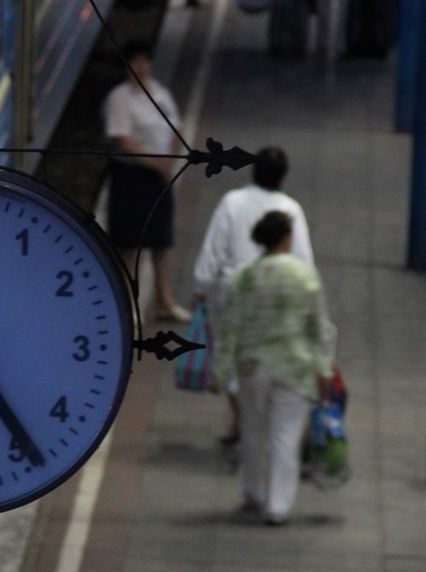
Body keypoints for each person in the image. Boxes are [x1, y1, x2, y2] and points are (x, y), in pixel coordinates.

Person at [214, 211, 333, 525]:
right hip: (295, 367)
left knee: (253, 430)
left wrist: (221, 369)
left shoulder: (244, 277)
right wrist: (324, 368)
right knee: (285, 437)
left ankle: (253, 492)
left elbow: (228, 327)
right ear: (287, 238)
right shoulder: (304, 276)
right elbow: (318, 327)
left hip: (252, 366)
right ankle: (278, 506)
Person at [192, 147, 314, 447]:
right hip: (275, 295)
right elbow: (304, 260)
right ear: (284, 175)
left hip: (233, 292)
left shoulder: (231, 202)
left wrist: (201, 286)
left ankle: (243, 419)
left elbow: (214, 249)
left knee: (235, 358)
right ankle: (260, 422)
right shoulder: (291, 209)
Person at [103, 41, 191, 323]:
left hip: (159, 176)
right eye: (135, 62)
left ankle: (165, 301)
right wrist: (156, 163)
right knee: (128, 243)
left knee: (161, 241)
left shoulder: (160, 93)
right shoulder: (119, 99)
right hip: (131, 177)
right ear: (126, 67)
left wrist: (169, 162)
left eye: (144, 61)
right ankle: (129, 305)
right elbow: (123, 140)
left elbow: (176, 128)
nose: (141, 67)